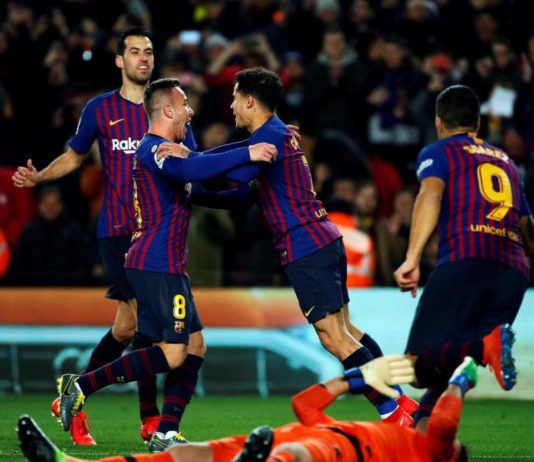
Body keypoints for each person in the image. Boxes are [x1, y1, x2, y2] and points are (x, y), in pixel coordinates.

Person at [159, 67, 417, 424]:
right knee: (347, 332)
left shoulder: (271, 140)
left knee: (333, 338)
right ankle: (402, 402)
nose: (231, 106)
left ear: (250, 101)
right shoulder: (275, 135)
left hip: (306, 244)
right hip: (322, 238)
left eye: (235, 98)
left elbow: (237, 171)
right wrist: (194, 188)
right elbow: (242, 194)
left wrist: (189, 161)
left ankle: (393, 413)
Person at [55, 77, 277, 453]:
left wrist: (253, 176)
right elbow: (192, 171)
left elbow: (208, 182)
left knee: (195, 346)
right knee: (174, 352)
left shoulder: (175, 156)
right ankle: (81, 386)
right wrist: (248, 152)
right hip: (155, 264)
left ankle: (166, 431)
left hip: (168, 265)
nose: (191, 111)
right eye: (185, 104)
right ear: (168, 110)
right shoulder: (153, 149)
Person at [11, 27, 165, 445]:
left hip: (155, 230)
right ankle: (150, 419)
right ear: (120, 60)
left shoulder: (165, 108)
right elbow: (74, 157)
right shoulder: (100, 108)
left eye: (148, 52)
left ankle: (71, 395)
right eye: (135, 51)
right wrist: (40, 177)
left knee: (125, 329)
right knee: (149, 323)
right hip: (117, 232)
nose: (143, 58)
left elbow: (188, 160)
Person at [17, 354, 486, 462]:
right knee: (187, 454)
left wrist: (463, 376)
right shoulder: (401, 436)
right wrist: (358, 378)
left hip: (336, 454)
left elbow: (445, 420)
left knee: (297, 457)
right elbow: (304, 404)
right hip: (282, 438)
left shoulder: (429, 451)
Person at [394, 84, 534, 429]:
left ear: (438, 122)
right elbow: (527, 228)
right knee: (455, 361)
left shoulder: (439, 152)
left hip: (466, 259)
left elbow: (430, 193)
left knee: (415, 367)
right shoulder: (507, 162)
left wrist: (412, 256)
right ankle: (424, 434)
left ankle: (486, 348)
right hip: (514, 271)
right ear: (478, 123)